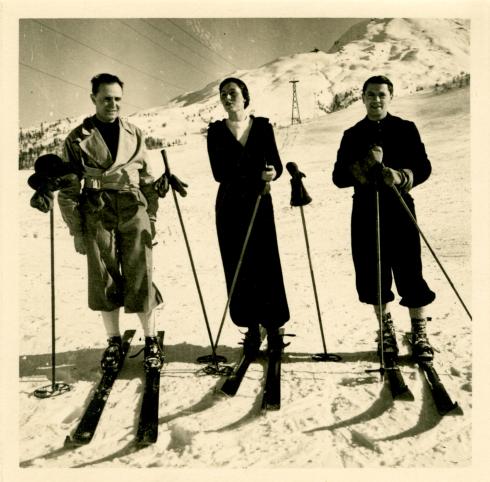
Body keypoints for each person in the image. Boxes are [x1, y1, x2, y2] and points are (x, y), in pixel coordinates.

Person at [57, 73, 164, 371]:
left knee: (141, 270)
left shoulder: (135, 133)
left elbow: (146, 178)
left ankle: (151, 340)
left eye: (117, 99)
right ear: (93, 99)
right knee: (103, 276)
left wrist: (151, 215)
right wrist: (76, 230)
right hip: (97, 210)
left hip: (133, 208)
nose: (112, 104)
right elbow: (67, 190)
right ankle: (114, 341)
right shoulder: (77, 138)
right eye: (106, 99)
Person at [332, 75, 436, 361]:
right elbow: (338, 177)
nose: (376, 100)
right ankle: (386, 331)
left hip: (400, 207)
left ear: (390, 97)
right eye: (370, 95)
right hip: (365, 211)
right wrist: (368, 164)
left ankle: (419, 332)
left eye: (381, 95)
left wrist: (402, 176)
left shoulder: (405, 129)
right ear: (362, 98)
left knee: (410, 270)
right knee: (372, 274)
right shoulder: (352, 135)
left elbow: (424, 166)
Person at [206, 77, 290, 357]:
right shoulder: (216, 132)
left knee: (266, 262)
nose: (227, 98)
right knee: (237, 264)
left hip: (258, 202)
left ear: (245, 96)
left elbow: (275, 163)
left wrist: (271, 173)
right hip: (230, 206)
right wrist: (256, 172)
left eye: (232, 93)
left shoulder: (263, 127)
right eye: (223, 94)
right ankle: (252, 327)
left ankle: (275, 326)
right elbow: (219, 171)